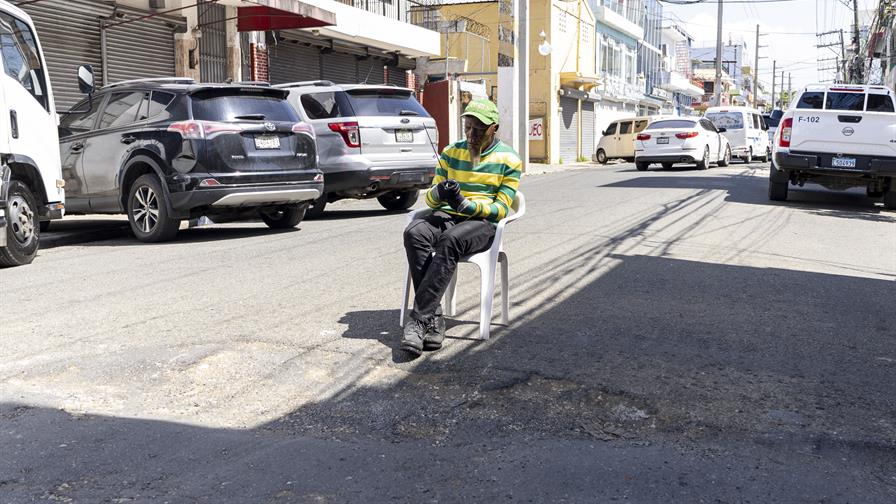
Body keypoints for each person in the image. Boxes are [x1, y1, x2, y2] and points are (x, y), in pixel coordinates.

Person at [401, 98, 522, 355]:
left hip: (482, 225)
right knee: (415, 233)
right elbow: (430, 199)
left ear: (494, 128)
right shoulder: (450, 152)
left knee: (451, 240)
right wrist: (442, 192)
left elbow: (502, 208)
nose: (471, 135)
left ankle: (419, 320)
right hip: (447, 216)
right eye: (467, 128)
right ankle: (434, 317)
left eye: (478, 130)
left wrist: (467, 206)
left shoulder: (509, 159)